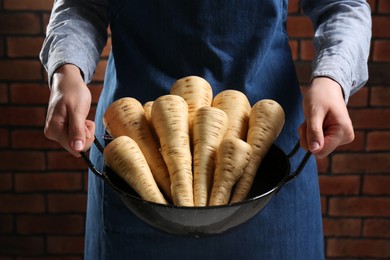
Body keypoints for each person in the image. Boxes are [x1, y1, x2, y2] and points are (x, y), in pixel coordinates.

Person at [40, 0, 371, 259]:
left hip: (266, 143)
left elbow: (342, 5)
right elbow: (81, 4)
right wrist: (66, 72)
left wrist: (332, 80)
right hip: (137, 136)